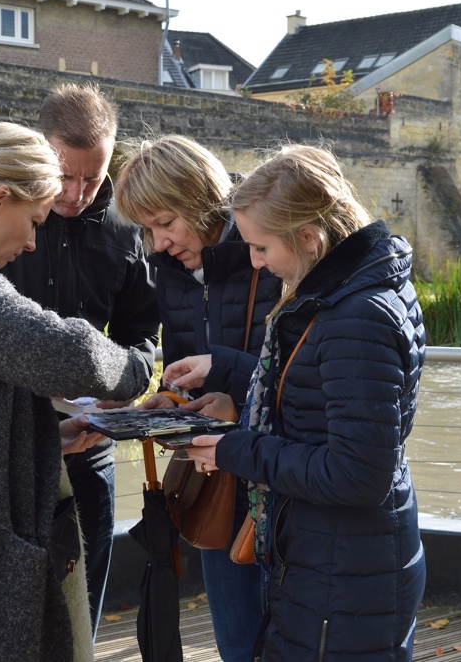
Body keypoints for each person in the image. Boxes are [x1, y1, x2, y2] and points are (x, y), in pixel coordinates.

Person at [170, 145, 428, 661]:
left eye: (262, 248)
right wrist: (225, 369)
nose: (255, 262)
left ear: (309, 238)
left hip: (344, 572)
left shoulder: (355, 316)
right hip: (334, 560)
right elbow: (316, 396)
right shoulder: (346, 296)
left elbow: (357, 474)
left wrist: (234, 450)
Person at [0, 122, 150, 662]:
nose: (34, 241)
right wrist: (136, 370)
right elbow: (68, 354)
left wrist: (45, 435)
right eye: (34, 220)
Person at [114, 134, 283, 662]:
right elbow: (188, 362)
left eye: (166, 223)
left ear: (201, 200)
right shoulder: (170, 269)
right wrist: (170, 399)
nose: (158, 243)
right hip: (221, 478)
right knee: (235, 641)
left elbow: (305, 380)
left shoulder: (271, 251)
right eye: (148, 230)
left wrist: (234, 401)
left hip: (286, 482)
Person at [2, 83, 159, 638]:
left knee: (80, 617)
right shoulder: (1, 213)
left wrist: (130, 383)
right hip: (9, 445)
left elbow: (142, 333)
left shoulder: (124, 223)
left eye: (92, 178)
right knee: (8, 616)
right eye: (64, 175)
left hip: (90, 448)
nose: (76, 193)